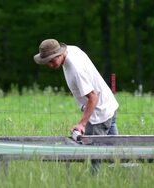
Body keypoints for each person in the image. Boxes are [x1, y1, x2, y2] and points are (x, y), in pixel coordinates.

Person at [34, 39, 119, 173]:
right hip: (109, 106)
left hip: (99, 115)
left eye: (51, 61)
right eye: (47, 62)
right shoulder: (72, 50)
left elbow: (93, 97)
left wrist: (82, 124)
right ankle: (122, 176)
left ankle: (94, 183)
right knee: (116, 154)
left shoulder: (75, 70)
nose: (50, 65)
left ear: (60, 54)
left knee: (95, 157)